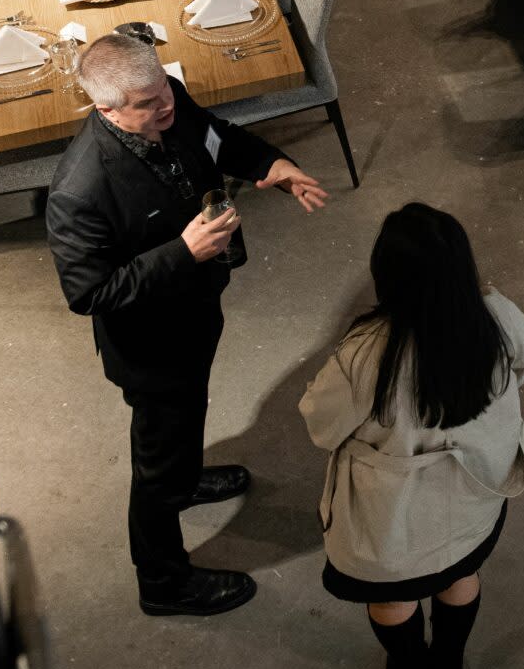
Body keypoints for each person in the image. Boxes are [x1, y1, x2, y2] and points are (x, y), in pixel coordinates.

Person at [46, 32, 328, 616]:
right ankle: (164, 583)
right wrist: (183, 252)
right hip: (151, 349)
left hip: (193, 315)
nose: (165, 106)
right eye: (148, 104)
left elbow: (214, 137)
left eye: (163, 92)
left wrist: (270, 164)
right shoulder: (80, 189)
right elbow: (89, 291)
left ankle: (188, 474)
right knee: (155, 468)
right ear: (107, 108)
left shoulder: (167, 97)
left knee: (186, 420)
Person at [300, 203, 524, 669]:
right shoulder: (496, 317)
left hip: (393, 527)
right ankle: (449, 666)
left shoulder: (367, 355)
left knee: (392, 600)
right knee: (459, 577)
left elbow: (321, 424)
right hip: (472, 503)